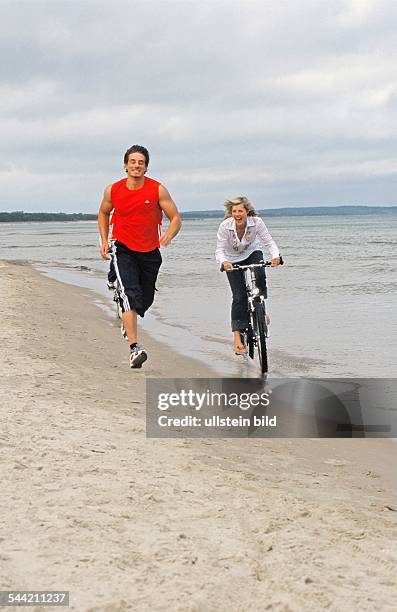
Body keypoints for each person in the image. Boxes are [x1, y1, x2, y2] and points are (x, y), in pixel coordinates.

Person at [98, 145, 181, 368]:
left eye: (141, 162)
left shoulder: (157, 190)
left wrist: (169, 235)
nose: (136, 165)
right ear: (125, 165)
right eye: (132, 161)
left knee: (144, 300)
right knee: (130, 296)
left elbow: (175, 218)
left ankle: (122, 296)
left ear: (146, 166)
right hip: (122, 247)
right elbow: (104, 213)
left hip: (149, 251)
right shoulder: (113, 190)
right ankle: (135, 348)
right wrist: (105, 240)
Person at [215, 196, 280, 355]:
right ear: (231, 213)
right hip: (232, 259)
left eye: (240, 211)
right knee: (239, 296)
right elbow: (219, 249)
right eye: (234, 211)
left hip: (252, 253)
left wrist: (276, 255)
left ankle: (261, 309)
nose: (237, 214)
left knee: (260, 275)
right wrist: (224, 262)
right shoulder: (225, 226)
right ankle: (237, 336)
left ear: (247, 212)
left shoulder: (256, 222)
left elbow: (268, 241)